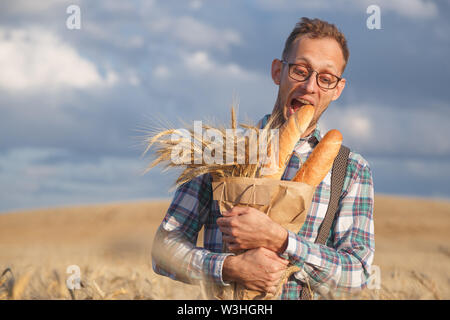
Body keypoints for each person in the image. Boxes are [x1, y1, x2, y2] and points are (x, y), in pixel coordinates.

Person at [151, 17, 374, 300]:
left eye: (325, 78)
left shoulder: (351, 169)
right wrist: (229, 267)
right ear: (277, 71)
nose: (310, 86)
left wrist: (280, 240)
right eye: (300, 70)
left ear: (337, 89)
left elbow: (358, 275)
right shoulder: (223, 151)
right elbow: (163, 250)